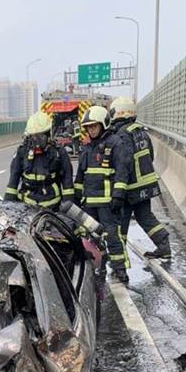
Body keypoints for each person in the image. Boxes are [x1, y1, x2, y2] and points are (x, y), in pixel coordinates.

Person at [109, 97, 172, 258]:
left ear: (118, 113)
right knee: (144, 216)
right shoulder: (141, 132)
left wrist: (118, 187)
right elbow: (150, 155)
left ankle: (119, 255)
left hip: (131, 187)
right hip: (147, 185)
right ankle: (164, 245)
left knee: (121, 220)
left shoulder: (122, 135)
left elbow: (124, 162)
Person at [74, 105, 130, 283]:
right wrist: (76, 198)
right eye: (88, 127)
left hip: (108, 203)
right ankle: (99, 268)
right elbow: (81, 176)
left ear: (103, 124)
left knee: (113, 236)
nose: (91, 130)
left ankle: (120, 269)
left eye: (94, 126)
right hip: (90, 204)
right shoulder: (87, 147)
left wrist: (118, 195)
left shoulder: (116, 143)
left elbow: (122, 170)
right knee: (92, 238)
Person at [5, 111, 75, 210]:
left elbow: (68, 184)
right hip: (26, 207)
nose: (36, 140)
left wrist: (68, 208)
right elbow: (12, 183)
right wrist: (8, 208)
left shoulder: (59, 153)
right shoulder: (22, 152)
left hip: (53, 208)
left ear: (48, 134)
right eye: (34, 136)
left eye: (40, 136)